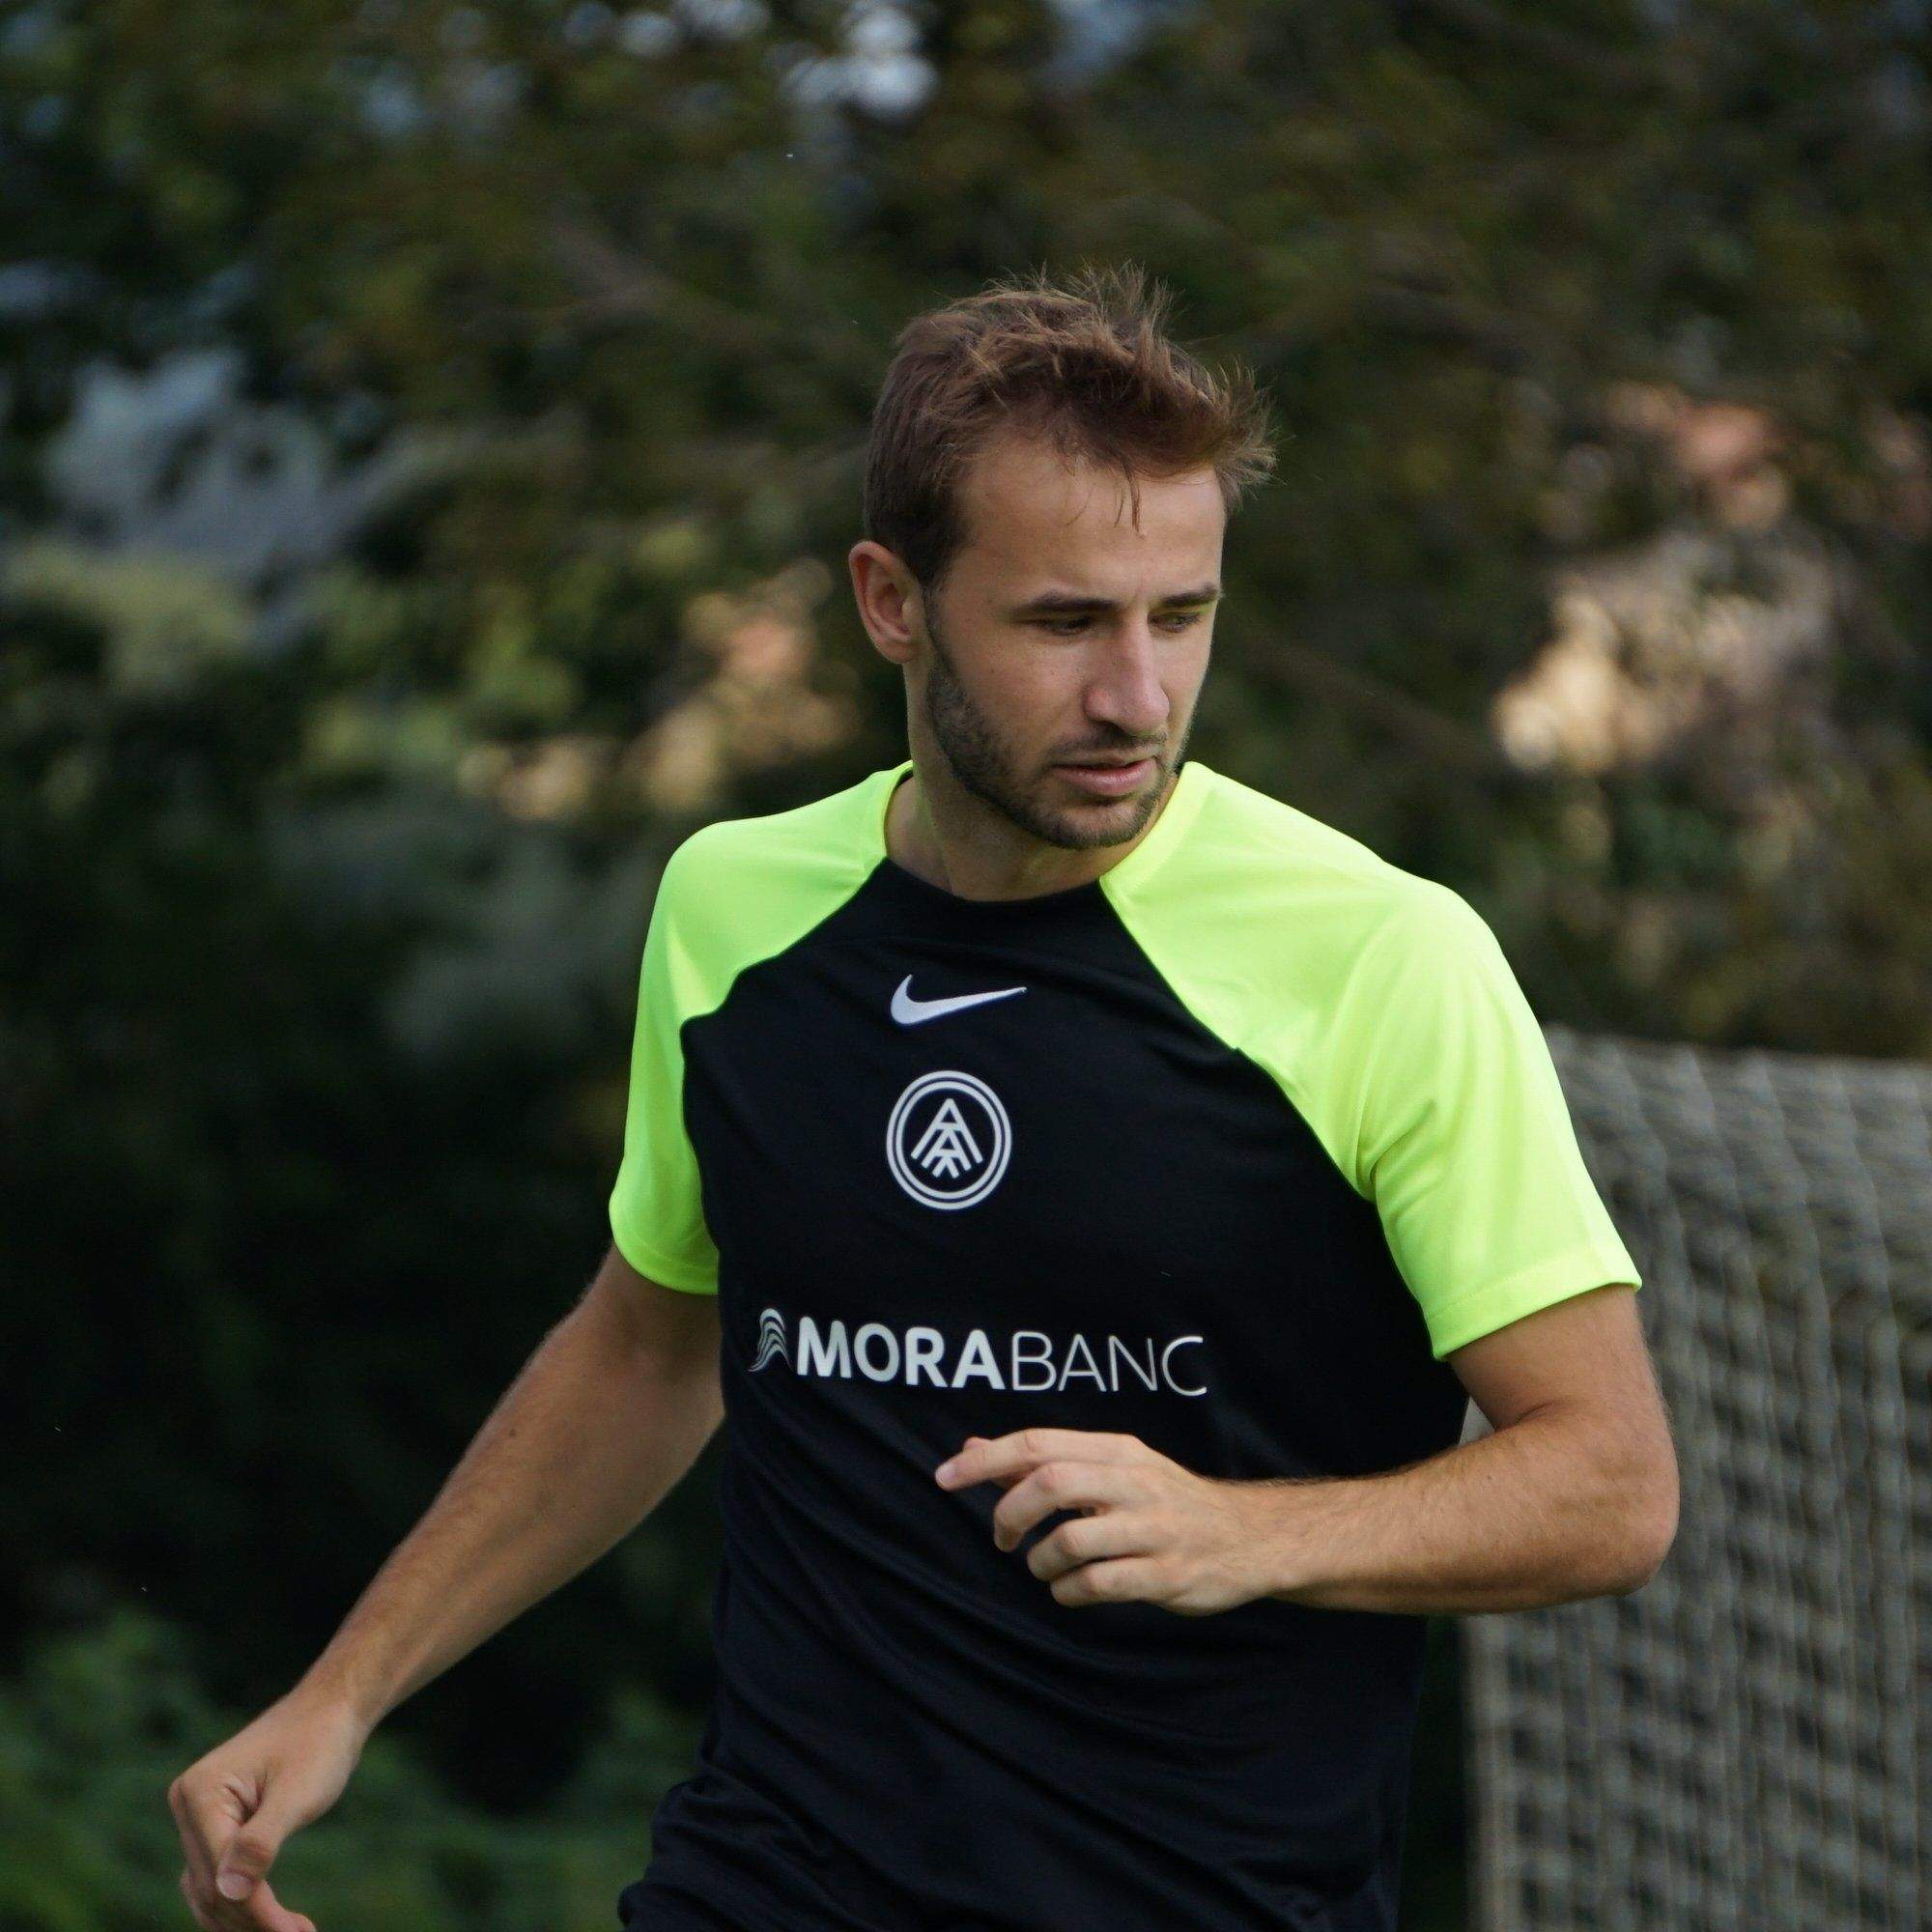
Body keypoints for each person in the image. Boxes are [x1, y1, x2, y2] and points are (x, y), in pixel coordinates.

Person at [167, 264, 1678, 1932]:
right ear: (892, 602)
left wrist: (1245, 1533)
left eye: (1181, 616)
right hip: (763, 1886)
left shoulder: (1382, 955)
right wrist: (343, 1696)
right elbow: (655, 1342)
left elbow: (1609, 1482)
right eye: (1064, 623)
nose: (1138, 697)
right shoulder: (735, 913)